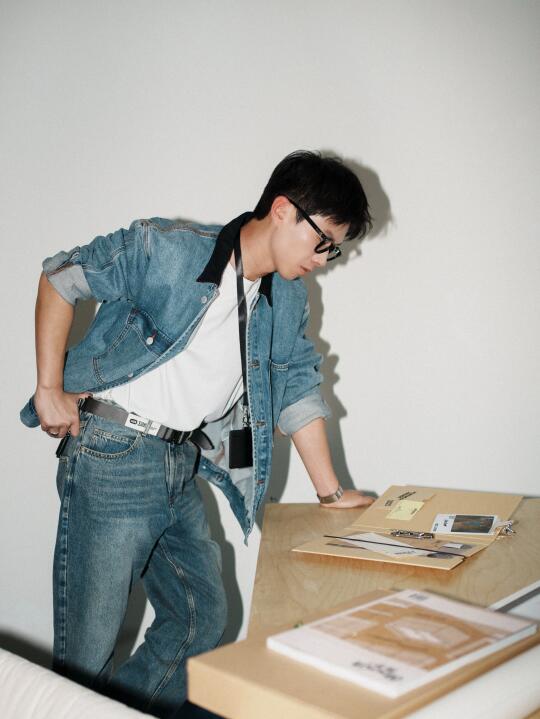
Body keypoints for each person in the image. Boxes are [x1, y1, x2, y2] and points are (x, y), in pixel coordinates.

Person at [20, 150, 374, 717]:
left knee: (200, 619)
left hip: (177, 462)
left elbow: (295, 383)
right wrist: (48, 387)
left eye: (333, 249)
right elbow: (60, 277)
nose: (324, 259)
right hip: (112, 455)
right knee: (87, 656)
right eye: (324, 242)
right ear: (284, 210)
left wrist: (331, 494)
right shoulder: (168, 250)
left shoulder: (285, 297)